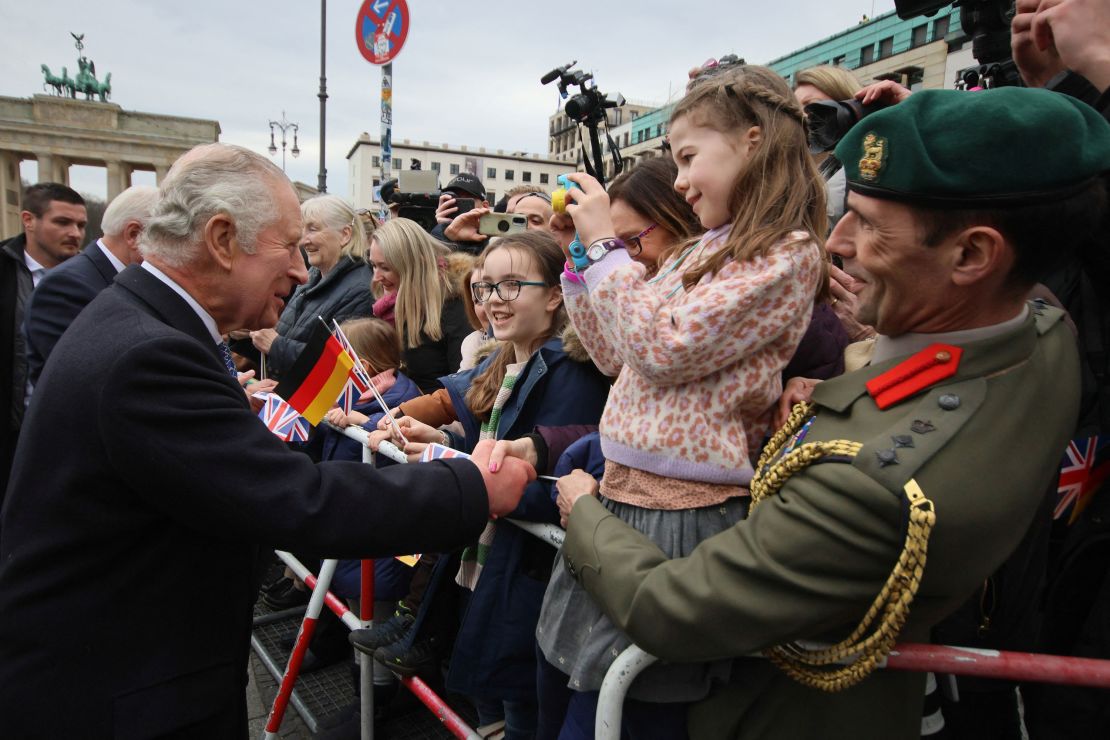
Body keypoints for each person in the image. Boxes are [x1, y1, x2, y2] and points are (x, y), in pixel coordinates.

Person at [546, 88, 1108, 740]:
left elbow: (673, 606)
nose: (834, 239)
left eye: (867, 223)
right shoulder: (1041, 329)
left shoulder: (868, 483)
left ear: (972, 257)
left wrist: (582, 510)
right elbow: (623, 352)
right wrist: (854, 364)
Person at [0, 143, 534, 739]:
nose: (303, 273)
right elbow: (299, 500)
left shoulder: (137, 324)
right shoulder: (150, 354)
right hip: (118, 697)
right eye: (288, 247)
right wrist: (471, 487)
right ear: (223, 239)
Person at [532, 65, 828, 738]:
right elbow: (618, 356)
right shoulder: (698, 251)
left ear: (753, 141)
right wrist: (580, 264)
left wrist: (608, 244)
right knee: (567, 684)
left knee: (631, 706)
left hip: (681, 516)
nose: (681, 179)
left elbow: (663, 348)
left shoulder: (786, 253)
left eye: (689, 156)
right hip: (624, 494)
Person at [365, 231, 610, 739]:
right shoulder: (503, 364)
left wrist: (455, 465)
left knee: (519, 714)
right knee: (491, 705)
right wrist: (441, 440)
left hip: (527, 578)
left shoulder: (574, 373)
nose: (492, 301)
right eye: (484, 288)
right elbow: (490, 451)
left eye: (511, 286)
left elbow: (552, 482)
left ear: (555, 294)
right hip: (488, 566)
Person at [0, 182, 86, 506]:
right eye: (62, 222)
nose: (75, 233)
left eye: (80, 225)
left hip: (57, 431)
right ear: (28, 220)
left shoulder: (94, 282)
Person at [23, 184, 156, 390]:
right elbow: (86, 378)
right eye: (168, 239)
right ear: (133, 234)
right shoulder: (64, 288)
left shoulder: (114, 279)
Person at [249, 193, 374, 378]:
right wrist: (249, 337)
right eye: (302, 230)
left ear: (345, 235)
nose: (303, 240)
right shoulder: (313, 277)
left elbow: (339, 365)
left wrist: (276, 345)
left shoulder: (360, 290)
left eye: (313, 229)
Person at [368, 217, 474, 393]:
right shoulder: (389, 306)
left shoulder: (455, 307)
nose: (376, 277)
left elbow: (462, 390)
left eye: (385, 268)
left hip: (433, 417)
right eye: (373, 266)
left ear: (414, 265)